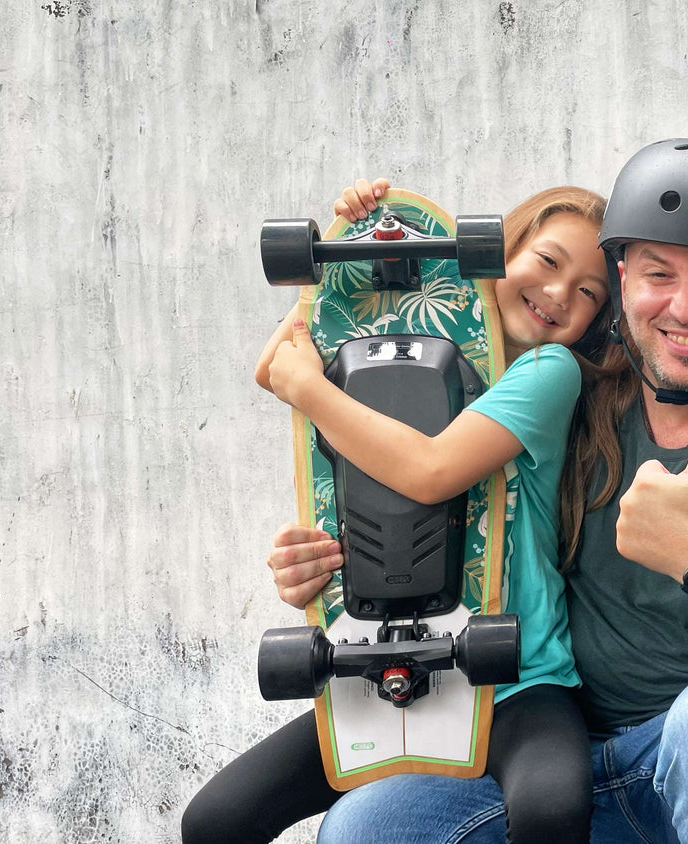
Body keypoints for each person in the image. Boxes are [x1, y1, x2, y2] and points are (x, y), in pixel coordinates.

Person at [268, 139, 688, 843]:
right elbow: (418, 344)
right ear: (623, 281)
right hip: (566, 759)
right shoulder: (567, 391)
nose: (685, 307)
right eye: (659, 274)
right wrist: (371, 227)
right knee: (369, 827)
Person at [182, 182, 616, 844]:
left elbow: (430, 470)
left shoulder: (547, 371)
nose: (561, 295)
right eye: (550, 262)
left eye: (590, 291)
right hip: (382, 672)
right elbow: (277, 363)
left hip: (520, 683)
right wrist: (355, 240)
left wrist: (309, 390)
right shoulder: (384, 360)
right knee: (214, 822)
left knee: (552, 806)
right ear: (497, 253)